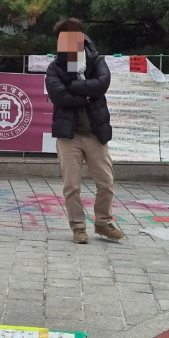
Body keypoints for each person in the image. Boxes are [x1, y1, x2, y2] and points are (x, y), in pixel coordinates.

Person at [44, 18, 125, 245]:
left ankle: (103, 222)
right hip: (68, 136)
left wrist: (76, 88)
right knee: (72, 186)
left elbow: (103, 83)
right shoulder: (55, 67)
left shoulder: (95, 60)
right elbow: (59, 96)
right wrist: (88, 93)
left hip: (95, 133)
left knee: (106, 182)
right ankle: (78, 227)